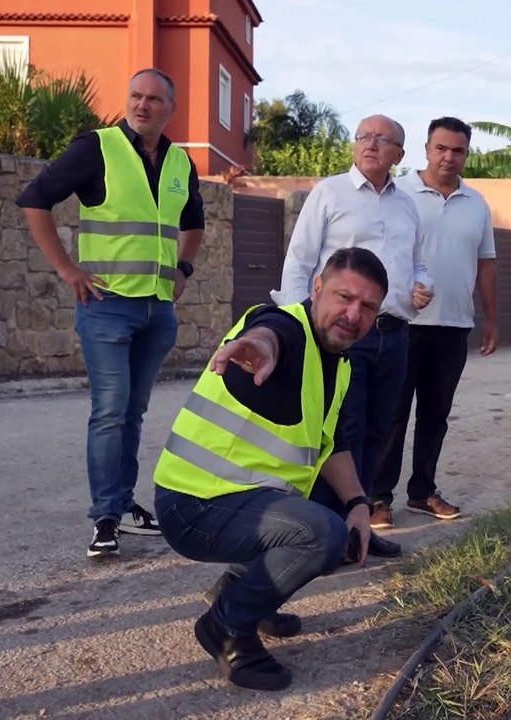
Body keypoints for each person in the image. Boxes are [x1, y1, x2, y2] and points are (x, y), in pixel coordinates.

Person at [155, 247, 385, 692]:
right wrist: (259, 345)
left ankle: (243, 591)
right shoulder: (286, 328)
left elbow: (330, 445)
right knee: (322, 533)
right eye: (344, 297)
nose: (353, 314)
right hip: (193, 504)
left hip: (239, 499)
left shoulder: (337, 363)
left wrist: (359, 503)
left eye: (368, 307)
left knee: (337, 512)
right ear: (316, 288)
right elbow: (269, 334)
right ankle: (227, 626)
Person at [16, 68, 204, 559]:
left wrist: (183, 267)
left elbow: (194, 222)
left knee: (133, 414)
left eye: (154, 99)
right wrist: (67, 269)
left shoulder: (181, 162)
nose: (142, 105)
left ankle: (121, 503)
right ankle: (104, 516)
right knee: (110, 410)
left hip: (157, 310)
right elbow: (34, 199)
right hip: (106, 306)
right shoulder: (96, 147)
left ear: (171, 108)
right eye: (135, 96)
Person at [272, 114, 434, 557]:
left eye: (382, 139)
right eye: (364, 136)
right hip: (343, 336)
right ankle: (326, 530)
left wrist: (422, 285)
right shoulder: (330, 193)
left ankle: (358, 527)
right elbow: (299, 261)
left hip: (394, 334)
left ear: (399, 154)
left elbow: (417, 263)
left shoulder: (407, 206)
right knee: (342, 433)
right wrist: (296, 328)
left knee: (380, 432)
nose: (371, 144)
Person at [372, 117, 497, 528]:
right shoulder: (398, 194)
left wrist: (491, 318)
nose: (448, 157)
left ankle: (422, 491)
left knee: (435, 414)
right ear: (426, 149)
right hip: (402, 324)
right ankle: (378, 497)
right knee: (392, 414)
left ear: (466, 154)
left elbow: (486, 263)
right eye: (440, 148)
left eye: (457, 150)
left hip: (454, 326)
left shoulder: (476, 204)